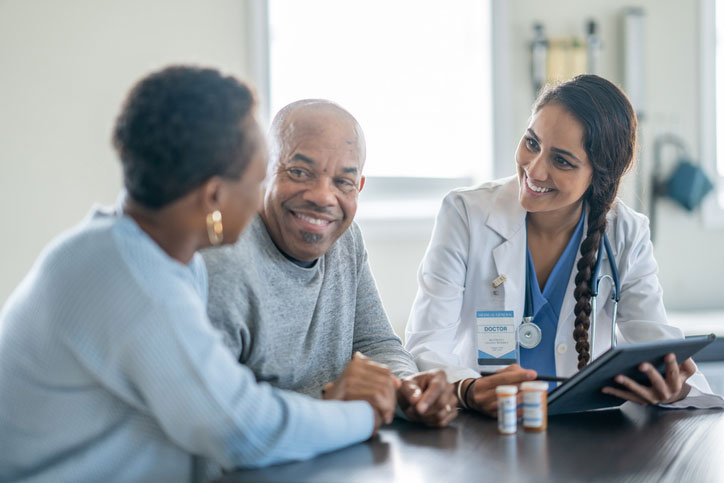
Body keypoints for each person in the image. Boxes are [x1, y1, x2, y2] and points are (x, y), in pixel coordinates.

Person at [0, 67, 382, 482]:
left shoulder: (132, 252)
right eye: (259, 180)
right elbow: (242, 429)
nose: (261, 201)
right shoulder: (135, 282)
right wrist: (361, 411)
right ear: (215, 196)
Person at [405, 74, 724, 416]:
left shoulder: (626, 233)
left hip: (585, 430)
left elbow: (656, 345)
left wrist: (671, 385)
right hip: (486, 425)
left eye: (561, 161)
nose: (534, 170)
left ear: (599, 176)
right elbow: (426, 342)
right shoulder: (466, 214)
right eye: (531, 143)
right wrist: (467, 388)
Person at [203, 99, 458, 428]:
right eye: (299, 172)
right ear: (263, 169)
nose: (323, 197)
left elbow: (376, 344)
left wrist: (407, 388)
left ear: (359, 187)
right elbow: (219, 411)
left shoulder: (346, 241)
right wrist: (331, 402)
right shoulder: (224, 257)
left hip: (338, 447)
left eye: (343, 182)